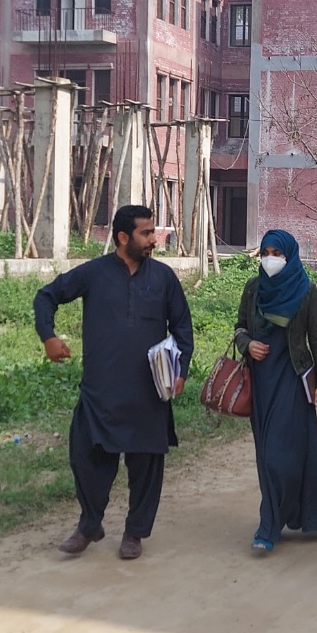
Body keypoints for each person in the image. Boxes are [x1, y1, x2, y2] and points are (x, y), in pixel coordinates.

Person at [35, 204, 195, 561]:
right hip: (101, 390)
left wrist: (181, 371)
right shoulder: (94, 273)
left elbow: (182, 328)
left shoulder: (164, 278)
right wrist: (48, 337)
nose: (154, 239)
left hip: (149, 391)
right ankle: (89, 524)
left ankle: (135, 533)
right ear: (123, 237)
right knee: (84, 458)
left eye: (153, 232)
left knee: (146, 466)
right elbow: (46, 296)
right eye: (146, 233)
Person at [233, 228, 317, 554]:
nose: (270, 259)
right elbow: (239, 327)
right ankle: (281, 518)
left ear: (290, 256)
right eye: (266, 253)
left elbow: (316, 336)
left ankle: (270, 524)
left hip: (293, 380)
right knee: (266, 455)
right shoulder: (253, 288)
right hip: (260, 382)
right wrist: (247, 344)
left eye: (277, 253)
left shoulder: (306, 291)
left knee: (279, 458)